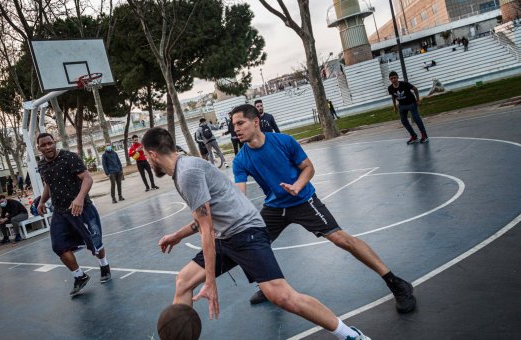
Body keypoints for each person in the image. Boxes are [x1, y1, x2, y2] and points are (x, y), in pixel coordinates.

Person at [142, 127, 371, 340]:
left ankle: (349, 334)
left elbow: (206, 228)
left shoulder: (187, 173)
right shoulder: (185, 169)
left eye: (144, 155)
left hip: (246, 232)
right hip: (227, 235)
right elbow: (205, 219)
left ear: (152, 154)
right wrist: (178, 235)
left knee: (281, 296)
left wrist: (211, 281)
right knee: (183, 281)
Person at [229, 104, 417, 314]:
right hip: (274, 208)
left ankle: (395, 282)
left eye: (240, 123)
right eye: (233, 124)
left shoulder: (284, 141)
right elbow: (239, 194)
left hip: (303, 200)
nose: (235, 128)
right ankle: (268, 286)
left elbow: (308, 167)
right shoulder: (240, 160)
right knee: (251, 244)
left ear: (255, 122)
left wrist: (297, 186)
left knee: (341, 239)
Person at [36, 133, 111, 296]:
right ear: (39, 148)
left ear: (54, 142)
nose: (48, 147)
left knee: (95, 243)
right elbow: (49, 184)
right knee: (59, 246)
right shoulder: (42, 165)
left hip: (81, 208)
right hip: (60, 211)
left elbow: (87, 178)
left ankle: (104, 265)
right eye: (44, 145)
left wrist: (79, 199)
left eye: (50, 143)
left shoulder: (69, 158)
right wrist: (42, 201)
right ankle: (79, 276)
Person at [388, 71, 429, 144]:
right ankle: (414, 136)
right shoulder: (390, 88)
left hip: (411, 103)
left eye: (394, 78)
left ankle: (424, 136)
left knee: (416, 119)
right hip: (402, 105)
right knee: (404, 121)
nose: (393, 80)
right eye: (391, 78)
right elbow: (393, 96)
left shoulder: (404, 84)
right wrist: (394, 106)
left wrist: (418, 100)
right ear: (390, 80)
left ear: (397, 77)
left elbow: (415, 89)